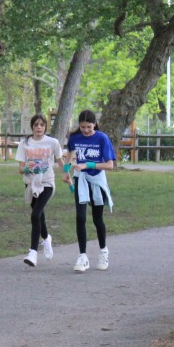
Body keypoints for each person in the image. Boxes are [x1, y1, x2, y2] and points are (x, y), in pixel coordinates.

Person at [62, 109, 116, 272]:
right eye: (83, 127)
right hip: (80, 179)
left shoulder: (102, 138)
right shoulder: (75, 138)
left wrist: (88, 164)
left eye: (89, 127)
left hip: (97, 180)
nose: (85, 130)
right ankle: (83, 256)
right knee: (80, 217)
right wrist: (66, 172)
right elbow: (70, 157)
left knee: (97, 219)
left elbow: (110, 165)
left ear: (95, 125)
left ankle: (103, 251)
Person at [15, 114, 63, 267]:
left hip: (47, 183)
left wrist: (67, 174)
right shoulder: (24, 143)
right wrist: (27, 168)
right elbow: (21, 169)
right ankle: (46, 238)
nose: (39, 127)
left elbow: (61, 162)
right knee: (39, 215)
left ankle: (33, 253)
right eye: (36, 125)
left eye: (42, 125)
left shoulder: (53, 142)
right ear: (32, 127)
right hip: (31, 183)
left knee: (35, 214)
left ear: (45, 127)